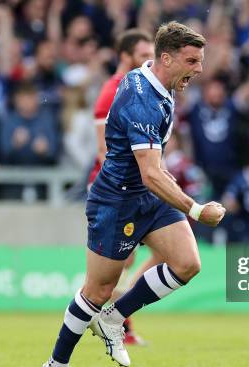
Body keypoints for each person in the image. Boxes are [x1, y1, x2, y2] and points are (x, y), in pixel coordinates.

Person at [39, 21, 225, 367]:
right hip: (118, 202)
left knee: (187, 264)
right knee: (97, 290)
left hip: (147, 195)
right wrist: (195, 209)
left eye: (200, 61)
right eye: (192, 61)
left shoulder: (149, 79)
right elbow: (151, 173)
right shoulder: (142, 101)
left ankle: (116, 318)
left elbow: (153, 171)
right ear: (167, 58)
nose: (199, 70)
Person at [87, 28, 158, 346]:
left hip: (138, 186)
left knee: (167, 254)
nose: (148, 62)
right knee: (116, 266)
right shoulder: (113, 90)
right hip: (119, 190)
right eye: (143, 56)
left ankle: (118, 317)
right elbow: (104, 152)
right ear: (125, 56)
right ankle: (114, 321)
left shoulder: (140, 87)